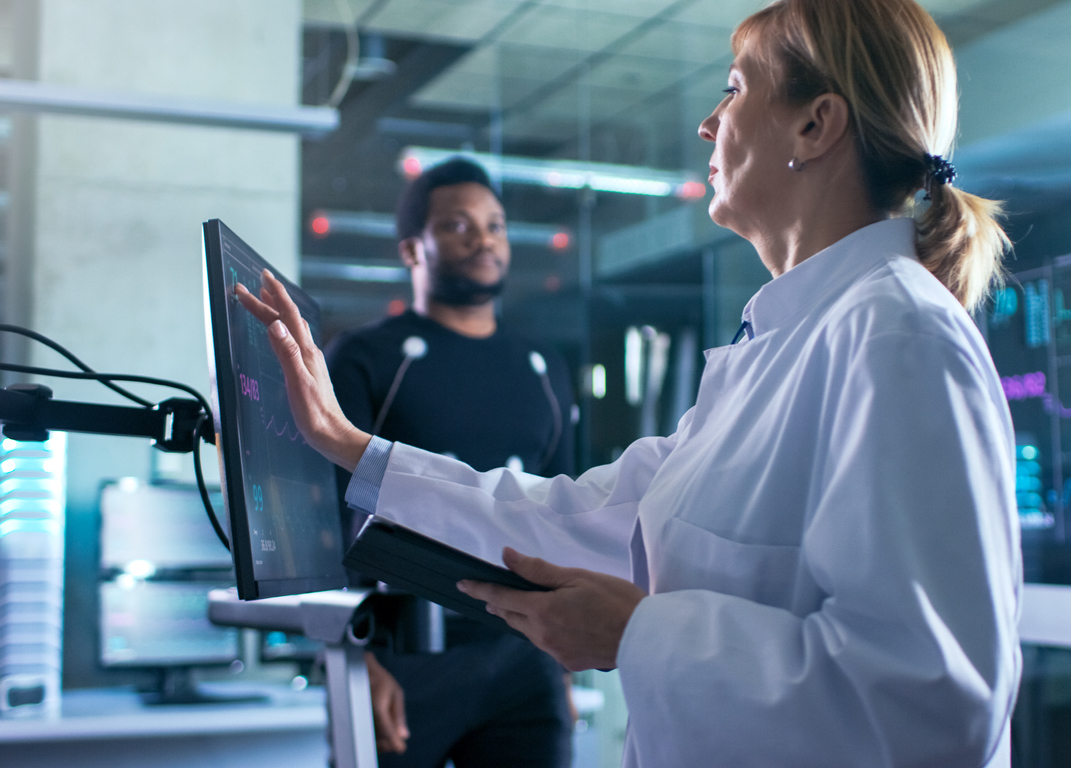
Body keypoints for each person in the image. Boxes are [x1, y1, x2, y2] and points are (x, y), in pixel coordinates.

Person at [238, 0, 1021, 765]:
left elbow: (930, 703)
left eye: (735, 87)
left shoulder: (896, 337)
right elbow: (581, 514)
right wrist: (351, 448)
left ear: (814, 125)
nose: (708, 124)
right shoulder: (780, 346)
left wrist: (635, 636)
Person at [324, 158, 574, 767]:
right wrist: (356, 660)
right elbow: (329, 518)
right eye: (460, 225)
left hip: (524, 653)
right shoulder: (364, 357)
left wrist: (564, 659)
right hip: (403, 651)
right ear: (414, 250)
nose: (483, 238)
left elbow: (566, 514)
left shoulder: (543, 367)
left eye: (495, 224)